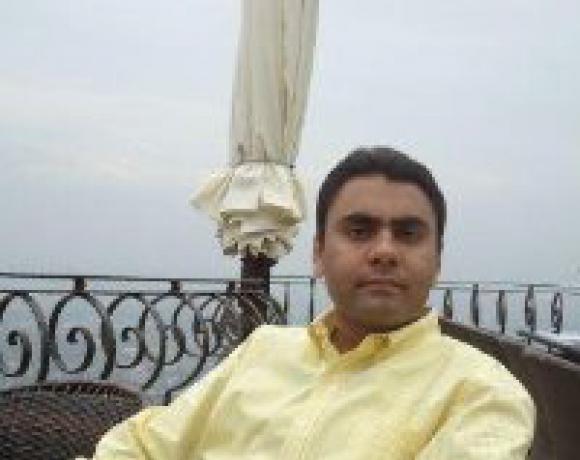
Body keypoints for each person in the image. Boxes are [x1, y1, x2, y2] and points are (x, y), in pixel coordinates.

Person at [85, 146, 535, 459]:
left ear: (437, 261)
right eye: (359, 231)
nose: (384, 251)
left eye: (408, 233)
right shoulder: (263, 349)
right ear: (319, 253)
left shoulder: (482, 394)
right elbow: (141, 445)